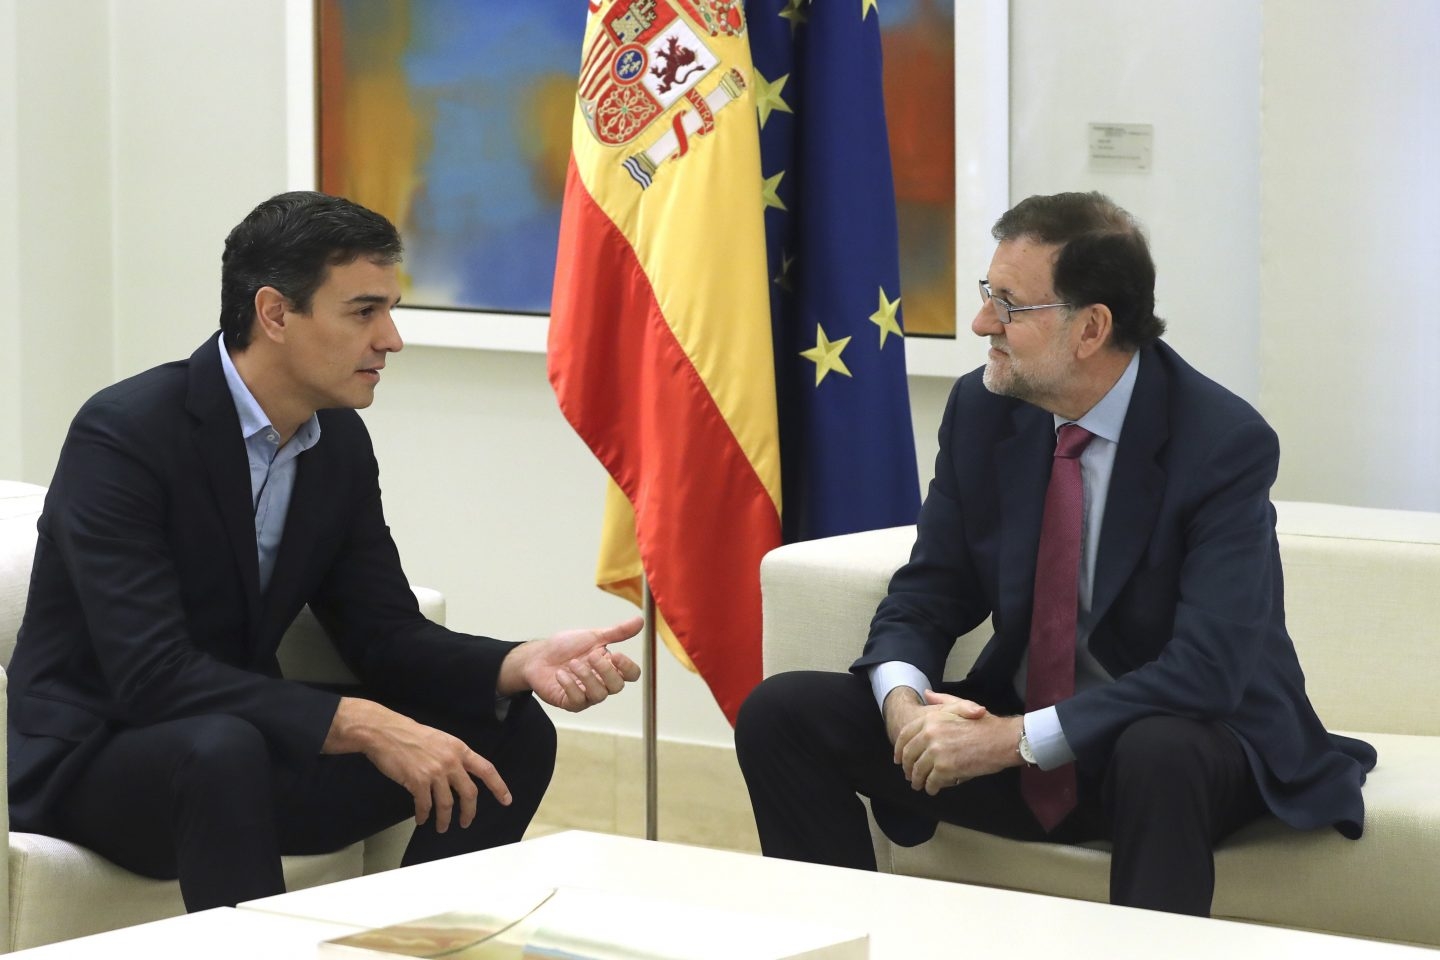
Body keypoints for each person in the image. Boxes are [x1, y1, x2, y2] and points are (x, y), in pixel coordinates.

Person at [734, 191, 1375, 916]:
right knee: (782, 713)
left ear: (1090, 328)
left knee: (1157, 751)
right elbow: (931, 590)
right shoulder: (986, 409)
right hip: (1031, 729)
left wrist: (1012, 741)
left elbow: (1207, 671)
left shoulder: (1221, 443)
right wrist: (905, 707)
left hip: (1190, 744)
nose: (982, 323)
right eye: (986, 295)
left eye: (1008, 306)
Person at [6, 191, 642, 912]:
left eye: (390, 309)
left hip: (239, 745)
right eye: (364, 311)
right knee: (220, 750)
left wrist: (515, 662)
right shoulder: (126, 434)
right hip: (97, 760)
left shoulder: (334, 440)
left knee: (509, 731)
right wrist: (363, 725)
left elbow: (383, 635)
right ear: (275, 313)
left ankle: (418, 945)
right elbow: (152, 674)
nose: (392, 338)